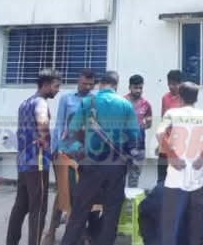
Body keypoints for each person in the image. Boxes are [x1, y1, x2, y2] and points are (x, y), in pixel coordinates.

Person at [60, 71, 143, 245]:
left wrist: (80, 153)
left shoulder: (88, 102)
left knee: (79, 213)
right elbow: (135, 139)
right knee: (111, 215)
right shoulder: (125, 105)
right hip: (116, 167)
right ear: (116, 85)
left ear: (100, 84)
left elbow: (70, 135)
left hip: (91, 165)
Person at [157, 82, 203, 245]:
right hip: (197, 180)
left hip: (175, 179)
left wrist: (172, 156)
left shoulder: (172, 114)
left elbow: (159, 133)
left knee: (170, 227)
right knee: (195, 228)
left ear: (179, 97)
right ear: (197, 98)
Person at [43, 69, 99, 243]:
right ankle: (51, 231)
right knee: (63, 191)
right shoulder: (66, 99)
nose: (87, 87)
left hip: (87, 153)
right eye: (84, 83)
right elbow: (60, 124)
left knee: (86, 194)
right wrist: (54, 149)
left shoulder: (96, 100)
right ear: (78, 82)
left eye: (91, 84)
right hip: (66, 151)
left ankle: (82, 232)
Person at [7, 69, 62, 245]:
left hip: (23, 162)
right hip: (37, 162)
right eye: (56, 86)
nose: (58, 90)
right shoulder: (41, 103)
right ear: (45, 85)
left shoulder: (25, 103)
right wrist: (48, 148)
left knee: (20, 206)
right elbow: (43, 126)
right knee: (38, 209)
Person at [125, 74, 153, 188]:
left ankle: (131, 198)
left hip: (138, 146)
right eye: (135, 87)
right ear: (129, 87)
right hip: (123, 146)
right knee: (118, 176)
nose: (138, 90)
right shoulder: (122, 102)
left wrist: (140, 127)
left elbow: (149, 123)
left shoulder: (146, 104)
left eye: (140, 88)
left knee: (134, 177)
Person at [158, 70, 184, 183]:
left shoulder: (185, 99)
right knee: (162, 175)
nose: (171, 87)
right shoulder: (165, 98)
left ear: (181, 84)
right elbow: (163, 119)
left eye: (174, 84)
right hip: (166, 142)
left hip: (180, 143)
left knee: (177, 176)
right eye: (169, 84)